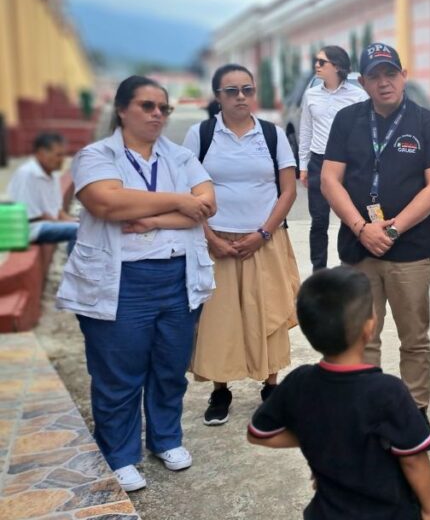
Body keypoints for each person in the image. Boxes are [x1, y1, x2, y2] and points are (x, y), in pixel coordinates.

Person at [55, 75, 217, 493]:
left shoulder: (180, 157)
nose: (158, 115)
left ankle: (165, 439)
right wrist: (179, 201)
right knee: (118, 374)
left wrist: (153, 216)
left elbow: (207, 205)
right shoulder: (97, 155)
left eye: (163, 108)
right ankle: (121, 454)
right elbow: (107, 202)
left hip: (177, 276)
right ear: (123, 109)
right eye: (147, 106)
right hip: (123, 280)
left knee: (169, 368)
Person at [320, 42, 430, 415]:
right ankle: (368, 410)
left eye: (390, 73)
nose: (384, 82)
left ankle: (414, 413)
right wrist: (363, 228)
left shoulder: (426, 122)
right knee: (363, 337)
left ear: (404, 75)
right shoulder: (347, 120)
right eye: (374, 76)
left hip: (410, 252)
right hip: (358, 249)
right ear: (363, 82)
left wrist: (392, 231)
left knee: (414, 339)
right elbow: (330, 180)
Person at [247, 266, 430, 520]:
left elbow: (258, 434)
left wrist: (316, 435)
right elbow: (413, 460)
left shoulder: (299, 381)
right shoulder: (388, 392)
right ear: (369, 328)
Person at [183, 63, 300, 426]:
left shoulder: (271, 134)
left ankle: (271, 386)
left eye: (247, 89)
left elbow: (288, 189)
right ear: (217, 96)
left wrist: (263, 233)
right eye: (231, 90)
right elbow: (185, 191)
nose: (240, 97)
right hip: (215, 243)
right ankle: (221, 390)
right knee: (220, 320)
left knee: (269, 313)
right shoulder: (200, 135)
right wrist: (210, 237)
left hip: (264, 240)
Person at [298, 45, 367, 271]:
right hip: (319, 162)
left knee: (351, 218)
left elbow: (365, 130)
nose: (316, 66)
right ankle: (319, 271)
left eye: (321, 62)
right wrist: (303, 166)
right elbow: (305, 131)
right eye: (316, 61)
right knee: (319, 222)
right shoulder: (311, 95)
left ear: (336, 66)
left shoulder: (358, 96)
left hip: (348, 163)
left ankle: (348, 268)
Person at [6, 132, 79, 252]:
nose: (62, 160)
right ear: (41, 154)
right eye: (58, 155)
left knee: (87, 228)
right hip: (29, 229)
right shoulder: (27, 174)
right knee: (79, 231)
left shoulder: (53, 174)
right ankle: (78, 270)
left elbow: (58, 212)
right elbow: (26, 214)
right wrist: (55, 221)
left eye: (63, 155)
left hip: (47, 224)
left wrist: (74, 220)